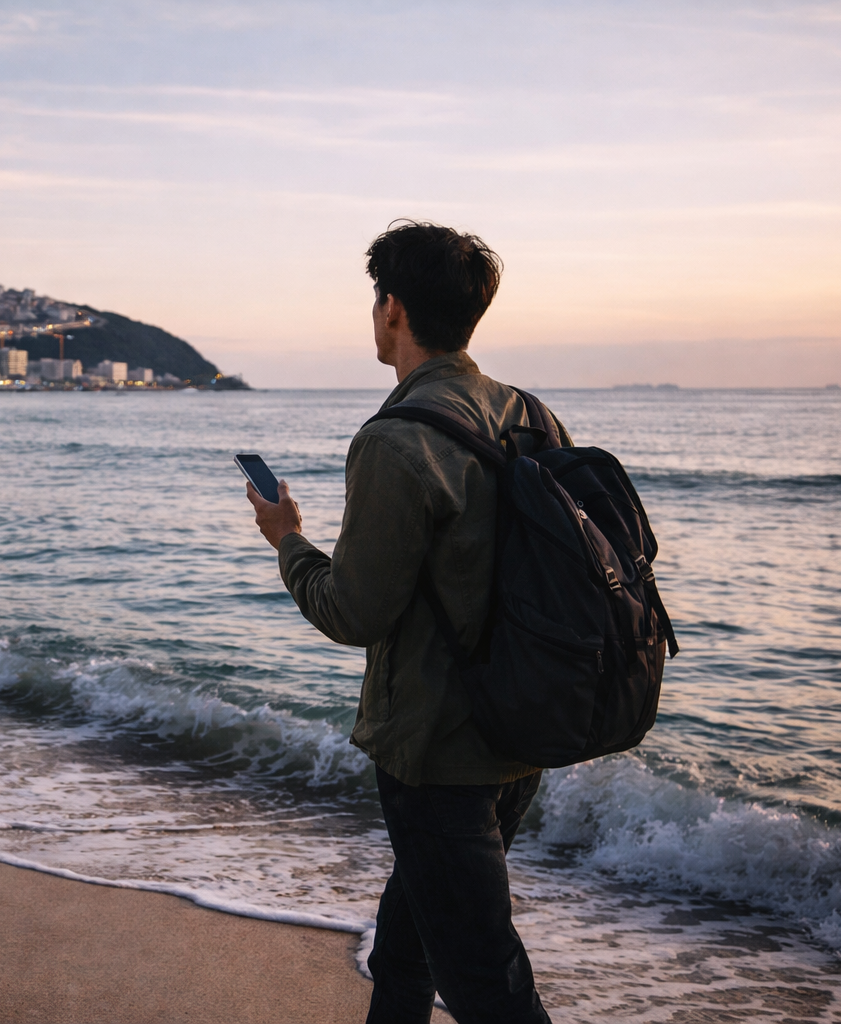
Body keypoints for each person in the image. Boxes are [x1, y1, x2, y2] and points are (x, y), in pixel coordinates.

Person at [245, 221, 569, 1024]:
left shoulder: (397, 440)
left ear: (392, 309)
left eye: (376, 298)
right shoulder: (528, 415)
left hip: (436, 755)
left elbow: (352, 611)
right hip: (520, 734)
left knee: (483, 979)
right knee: (405, 953)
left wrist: (288, 541)